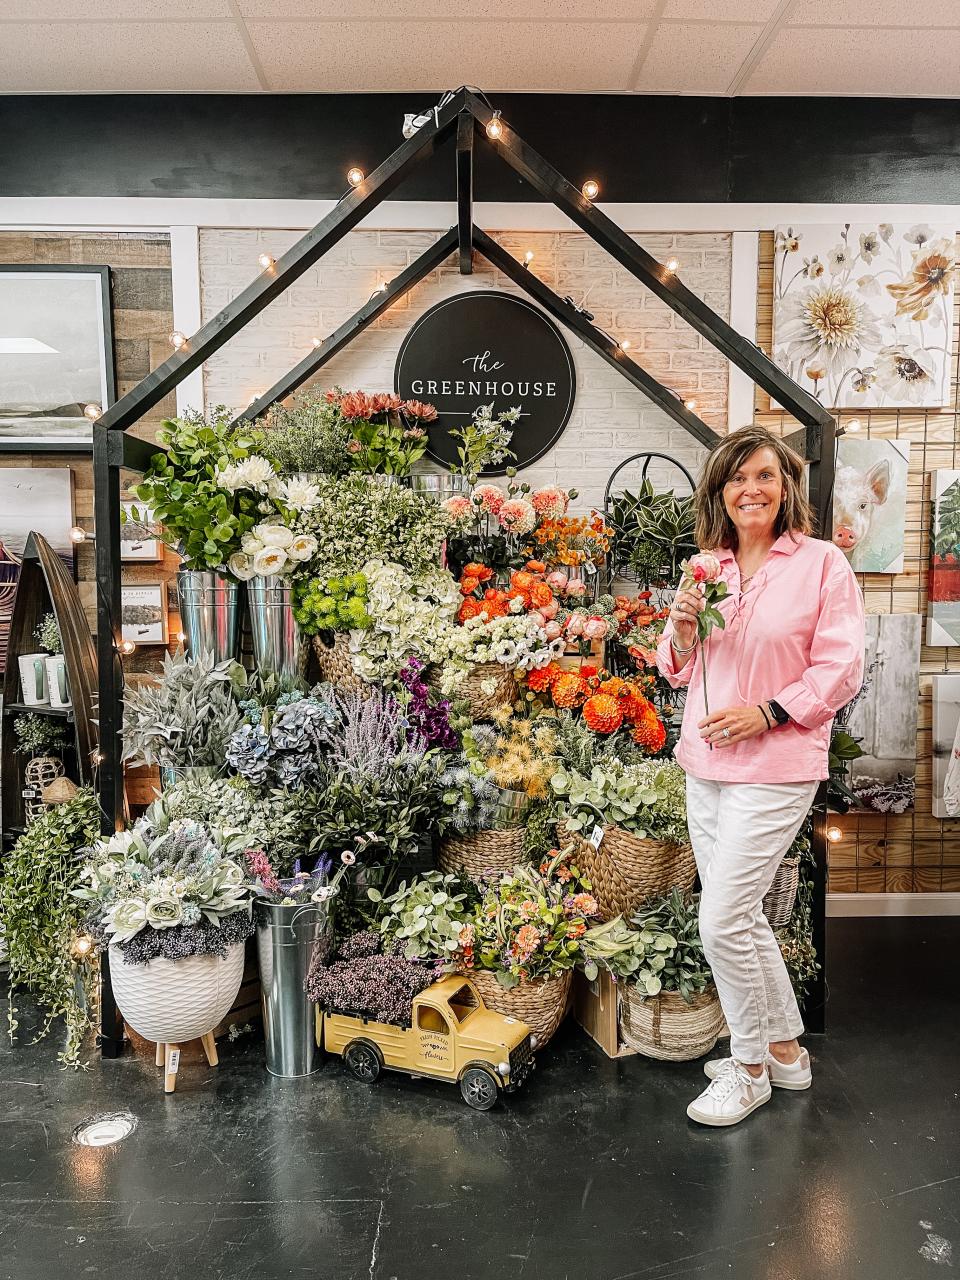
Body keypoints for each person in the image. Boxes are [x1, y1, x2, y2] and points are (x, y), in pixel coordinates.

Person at [656, 424, 864, 1128]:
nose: (751, 489)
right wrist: (681, 633)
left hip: (775, 765)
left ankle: (747, 1068)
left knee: (720, 919)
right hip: (704, 762)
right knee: (737, 914)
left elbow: (841, 667)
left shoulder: (822, 565)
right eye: (737, 477)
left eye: (765, 476)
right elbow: (676, 665)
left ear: (786, 488)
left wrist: (769, 712)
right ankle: (784, 1051)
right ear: (720, 491)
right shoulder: (705, 566)